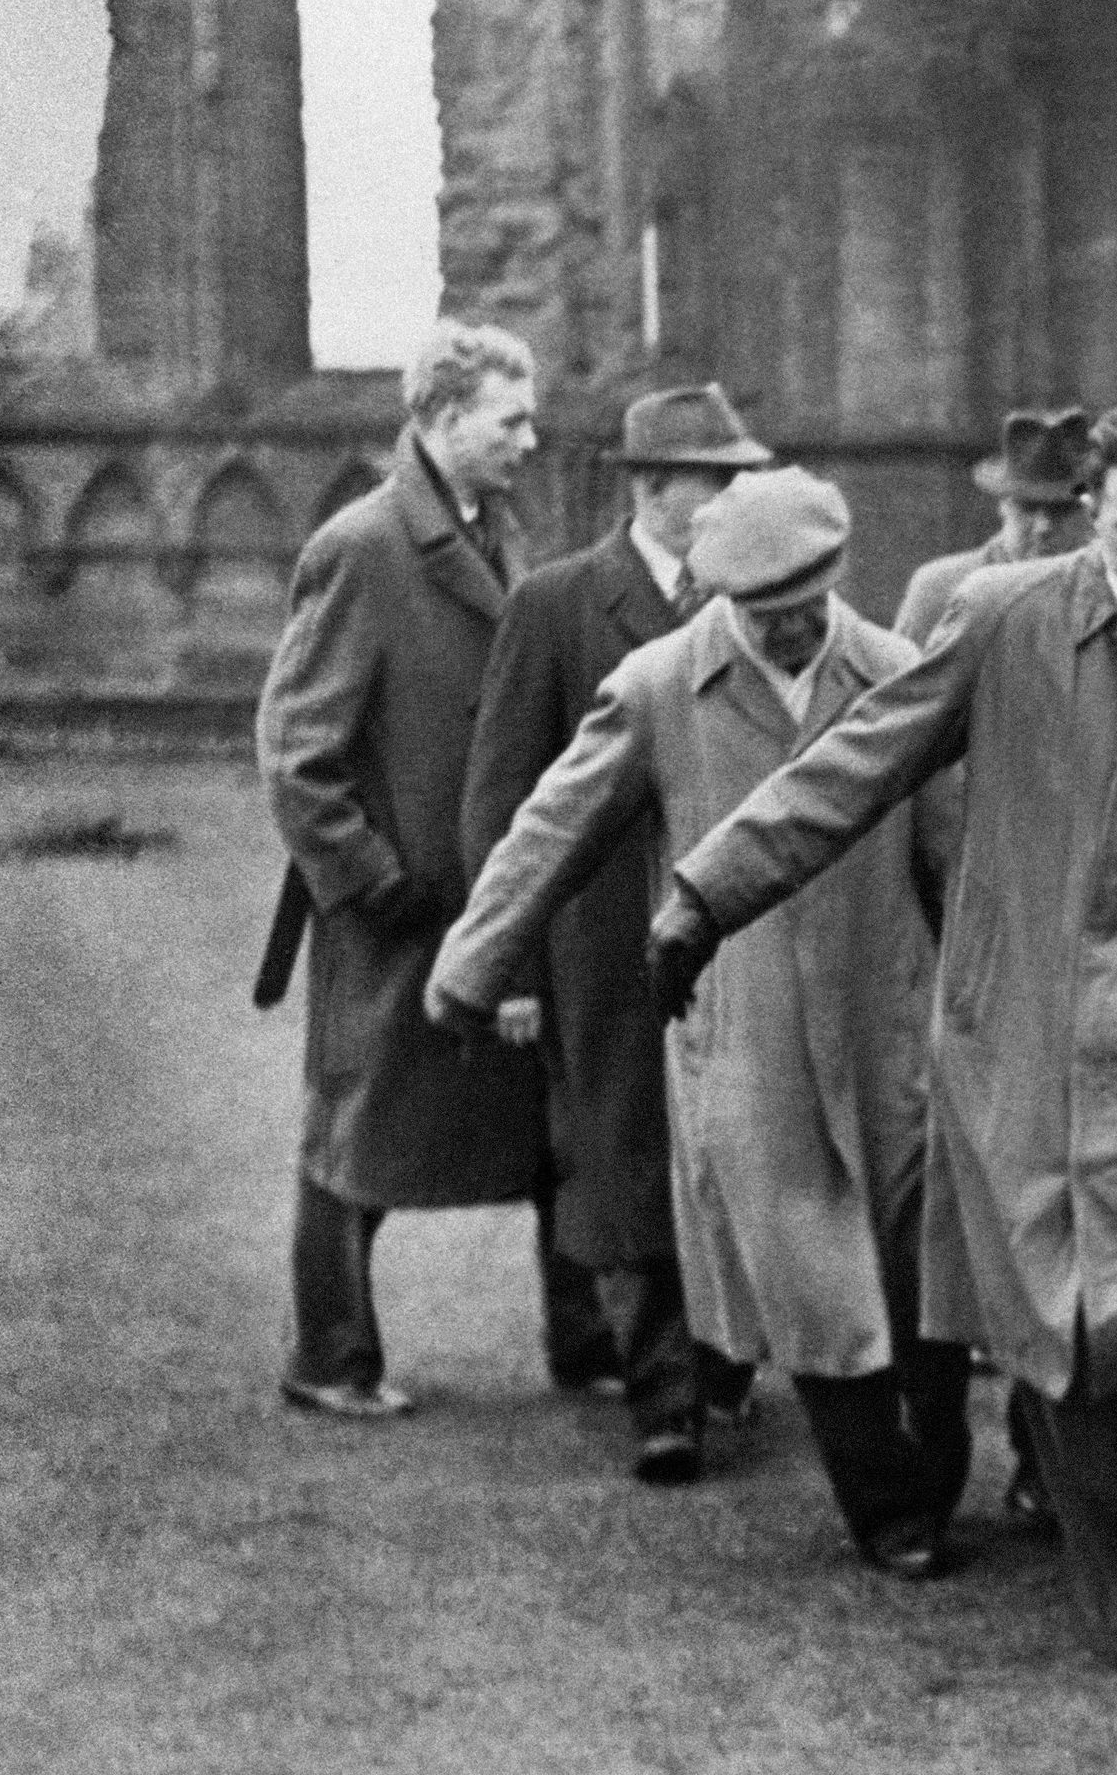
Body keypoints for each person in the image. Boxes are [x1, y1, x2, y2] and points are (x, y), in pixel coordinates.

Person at [646, 400, 1117, 1688]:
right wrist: (704, 894)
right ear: (1093, 515)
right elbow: (849, 770)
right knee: (1067, 1354)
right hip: (1015, 1055)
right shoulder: (1002, 621)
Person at [434, 469, 975, 1578]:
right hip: (747, 1032)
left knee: (917, 1274)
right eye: (761, 605)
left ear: (836, 580)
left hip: (889, 1022)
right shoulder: (660, 687)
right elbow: (552, 830)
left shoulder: (898, 678)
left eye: (806, 600)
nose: (787, 624)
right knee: (812, 1273)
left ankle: (938, 1467)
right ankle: (887, 1510)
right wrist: (474, 963)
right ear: (721, 596)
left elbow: (956, 866)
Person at [255, 321, 594, 1419]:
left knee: (552, 1119)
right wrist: (378, 884)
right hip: (398, 915)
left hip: (495, 898)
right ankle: (331, 1359)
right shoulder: (361, 547)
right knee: (357, 1135)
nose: (530, 441)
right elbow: (297, 755)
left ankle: (587, 1345)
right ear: (444, 422)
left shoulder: (495, 531)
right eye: (511, 421)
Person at [456, 384, 769, 1483]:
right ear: (649, 488)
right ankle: (664, 1396)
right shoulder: (558, 605)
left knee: (737, 1146)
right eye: (713, 479)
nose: (735, 497)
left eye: (742, 477)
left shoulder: (761, 598)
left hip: (738, 929)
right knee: (626, 1156)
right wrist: (508, 964)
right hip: (602, 942)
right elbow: (502, 800)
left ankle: (724, 1362)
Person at [890, 406, 1097, 1538]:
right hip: (956, 933)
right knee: (947, 1203)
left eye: (1058, 510)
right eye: (1021, 509)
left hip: (1065, 942)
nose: (1037, 529)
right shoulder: (943, 595)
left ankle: (1043, 1447)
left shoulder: (1101, 603)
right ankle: (932, 1452)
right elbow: (905, 756)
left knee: (1051, 1205)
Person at [894, 407, 1093, 646]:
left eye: (1061, 510)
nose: (1043, 527)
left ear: (1090, 511)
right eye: (1027, 508)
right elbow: (902, 680)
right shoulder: (941, 589)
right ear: (1003, 507)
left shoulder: (1107, 590)